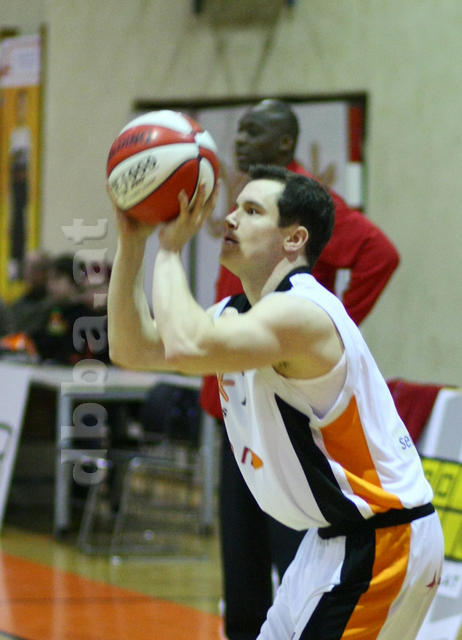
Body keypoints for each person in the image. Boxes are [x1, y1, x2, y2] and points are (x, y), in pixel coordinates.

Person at [107, 167, 443, 640]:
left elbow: (187, 346)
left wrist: (169, 248)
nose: (230, 218)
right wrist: (132, 243)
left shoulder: (302, 313)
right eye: (235, 206)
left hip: (384, 540)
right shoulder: (239, 314)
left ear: (294, 239)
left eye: (252, 211)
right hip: (329, 541)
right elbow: (130, 348)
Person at [200, 99, 401, 640]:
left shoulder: (299, 200)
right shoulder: (250, 202)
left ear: (285, 143)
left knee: (296, 554)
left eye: (254, 131)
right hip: (235, 404)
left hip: (285, 411)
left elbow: (380, 254)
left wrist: (331, 328)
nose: (240, 139)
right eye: (240, 129)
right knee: (241, 557)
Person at [9, 250, 51, 335]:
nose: (28, 272)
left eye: (34, 268)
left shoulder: (52, 304)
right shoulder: (18, 304)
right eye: (26, 266)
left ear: (46, 272)